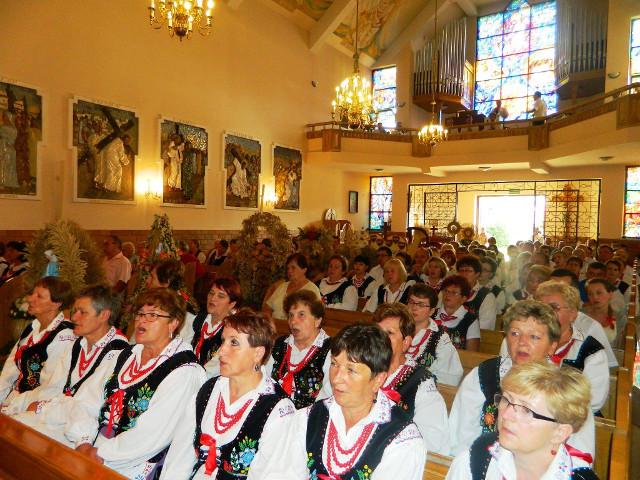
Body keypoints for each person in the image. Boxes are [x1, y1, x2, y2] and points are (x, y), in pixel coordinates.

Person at [67, 288, 206, 479]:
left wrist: (101, 453)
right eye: (140, 314)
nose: (142, 320)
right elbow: (86, 400)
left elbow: (152, 435)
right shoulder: (125, 355)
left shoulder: (184, 371)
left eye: (152, 315)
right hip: (92, 447)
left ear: (173, 323)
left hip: (134, 464)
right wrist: (83, 441)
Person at [264, 323, 426, 480]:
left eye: (351, 370)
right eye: (334, 364)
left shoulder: (401, 440)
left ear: (378, 379)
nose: (336, 379)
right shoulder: (309, 418)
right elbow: (283, 473)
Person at [160, 309, 295, 479]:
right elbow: (179, 459)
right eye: (223, 341)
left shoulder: (277, 410)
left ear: (258, 353)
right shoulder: (209, 390)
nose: (221, 351)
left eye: (234, 343)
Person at [449, 300, 595, 457]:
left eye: (534, 337)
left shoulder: (567, 389)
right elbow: (460, 436)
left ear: (552, 346)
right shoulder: (484, 375)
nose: (522, 343)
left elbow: (580, 453)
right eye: (515, 333)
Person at [7, 285, 129, 442]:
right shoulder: (77, 344)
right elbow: (54, 387)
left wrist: (43, 408)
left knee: (18, 433)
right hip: (60, 417)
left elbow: (87, 406)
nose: (74, 318)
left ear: (104, 315)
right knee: (11, 423)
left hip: (85, 433)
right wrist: (17, 404)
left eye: (82, 312)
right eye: (74, 311)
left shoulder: (118, 352)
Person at [446, 362, 597, 479]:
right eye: (506, 400)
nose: (506, 415)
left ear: (560, 432)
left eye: (526, 410)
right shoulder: (475, 461)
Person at [374, 303, 450, 455]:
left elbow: (430, 441)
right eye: (376, 332)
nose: (379, 339)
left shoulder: (421, 383)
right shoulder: (362, 369)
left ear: (406, 343)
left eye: (389, 333)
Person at [0, 277, 75, 409]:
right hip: (14, 400)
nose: (29, 299)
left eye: (39, 296)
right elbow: (10, 370)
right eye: (32, 294)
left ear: (56, 304)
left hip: (36, 407)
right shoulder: (32, 328)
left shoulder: (64, 336)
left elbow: (50, 387)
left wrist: (12, 406)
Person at [266, 290, 332, 408]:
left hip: (310, 416)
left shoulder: (330, 350)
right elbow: (264, 379)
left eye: (301, 315)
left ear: (317, 320)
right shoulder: (280, 344)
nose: (293, 321)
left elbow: (328, 397)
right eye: (291, 315)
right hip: (272, 410)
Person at [180, 277, 240, 376]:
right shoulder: (197, 320)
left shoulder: (230, 331)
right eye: (211, 293)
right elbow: (182, 347)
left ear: (232, 304)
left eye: (221, 296)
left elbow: (213, 369)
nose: (213, 298)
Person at [405, 284, 463, 386]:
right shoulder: (396, 328)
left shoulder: (440, 338)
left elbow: (450, 377)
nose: (414, 308)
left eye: (421, 304)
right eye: (411, 302)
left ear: (431, 311)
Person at [263, 253, 321, 322]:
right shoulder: (282, 286)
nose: (289, 271)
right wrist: (269, 322)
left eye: (293, 268)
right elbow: (267, 307)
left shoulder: (312, 289)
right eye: (288, 268)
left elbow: (315, 316)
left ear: (304, 270)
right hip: (274, 325)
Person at [431, 275, 480, 351]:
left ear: (463, 298)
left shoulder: (470, 320)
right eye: (446, 291)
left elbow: (472, 353)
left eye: (454, 292)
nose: (448, 295)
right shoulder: (432, 314)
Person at [455, 255, 497, 330]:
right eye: (461, 270)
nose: (464, 274)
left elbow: (485, 326)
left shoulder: (487, 296)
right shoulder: (448, 291)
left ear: (477, 274)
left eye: (469, 271)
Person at [583, 279, 621, 346]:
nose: (595, 297)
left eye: (599, 293)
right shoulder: (581, 316)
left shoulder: (618, 316)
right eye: (590, 294)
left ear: (610, 294)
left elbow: (620, 345)